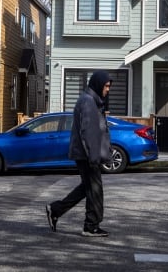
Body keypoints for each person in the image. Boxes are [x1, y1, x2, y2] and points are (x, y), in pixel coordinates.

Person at [46, 70, 112, 237]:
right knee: (95, 190)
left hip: (85, 154)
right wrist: (94, 156)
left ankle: (55, 209)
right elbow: (88, 133)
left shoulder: (91, 101)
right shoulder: (88, 102)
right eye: (106, 86)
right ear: (98, 85)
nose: (108, 90)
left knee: (87, 188)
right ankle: (91, 226)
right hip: (87, 155)